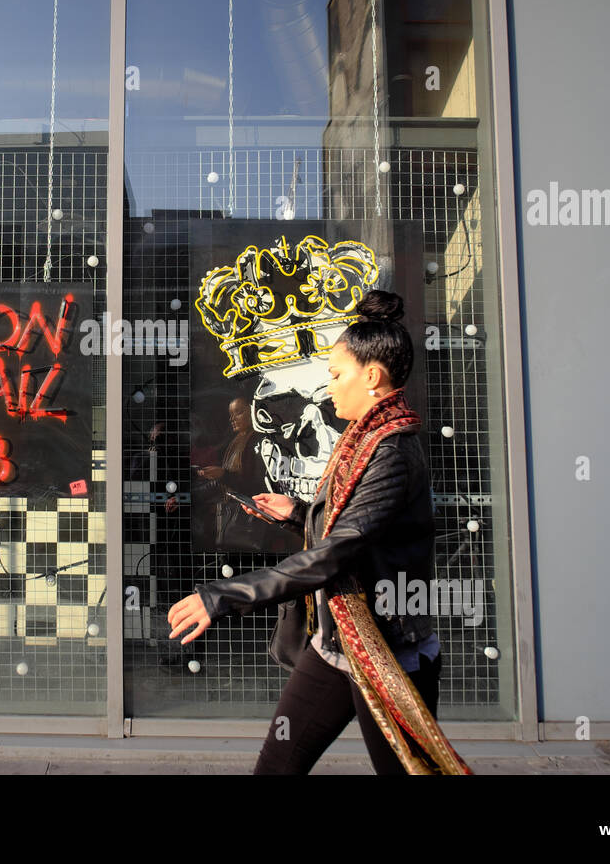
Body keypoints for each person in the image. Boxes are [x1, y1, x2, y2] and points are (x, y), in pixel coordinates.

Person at [167, 290, 472, 775]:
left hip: (385, 651)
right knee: (276, 768)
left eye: (334, 374)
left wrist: (222, 596)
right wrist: (297, 514)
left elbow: (338, 552)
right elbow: (349, 528)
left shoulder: (389, 450)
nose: (330, 389)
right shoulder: (364, 439)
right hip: (337, 643)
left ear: (371, 377)